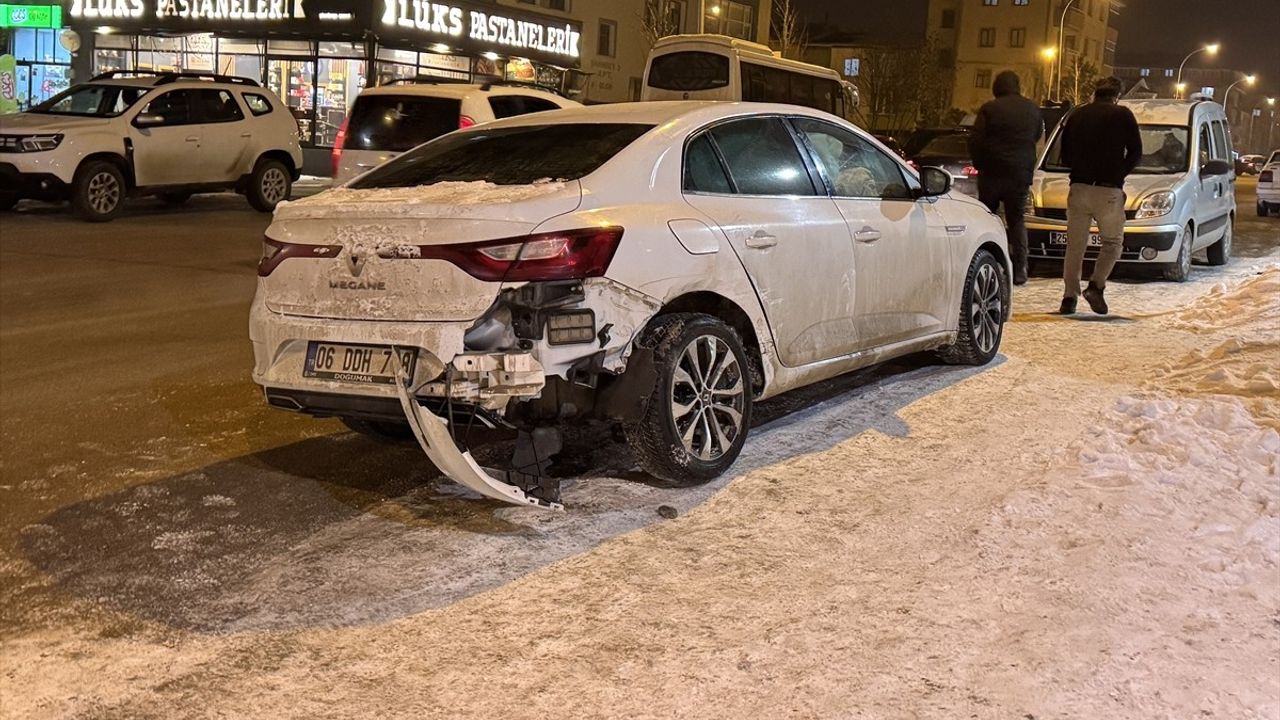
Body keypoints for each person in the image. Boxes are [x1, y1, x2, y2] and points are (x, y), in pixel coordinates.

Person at [1056, 76, 1143, 315]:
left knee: (1075, 245)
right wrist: (1119, 173)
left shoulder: (1077, 115)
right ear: (1117, 95)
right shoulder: (1123, 115)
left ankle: (1068, 298)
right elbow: (1136, 151)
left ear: (1095, 93)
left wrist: (1081, 169)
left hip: (1079, 188)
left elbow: (1064, 155)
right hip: (1108, 189)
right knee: (1113, 242)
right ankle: (1096, 285)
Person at [969, 70, 1044, 285]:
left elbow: (976, 140)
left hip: (992, 173)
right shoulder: (1032, 109)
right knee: (1016, 219)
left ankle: (989, 260)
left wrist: (979, 163)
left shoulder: (990, 109)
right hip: (1019, 174)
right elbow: (1037, 135)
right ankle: (1020, 267)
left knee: (987, 218)